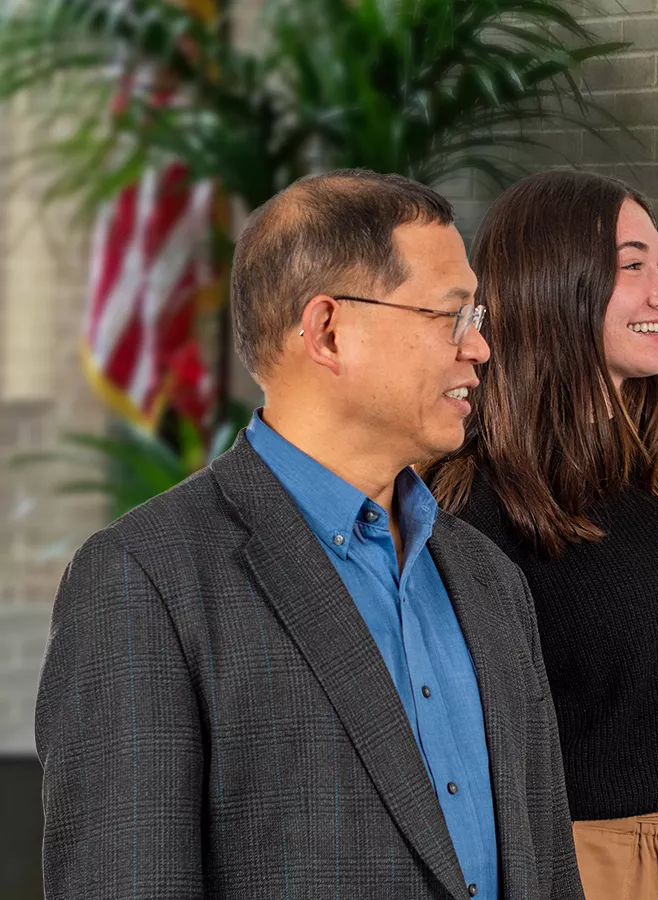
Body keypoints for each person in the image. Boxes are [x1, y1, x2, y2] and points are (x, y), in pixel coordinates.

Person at [36, 169, 583, 900]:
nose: (479, 348)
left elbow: (548, 870)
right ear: (328, 330)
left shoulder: (488, 579)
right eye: (451, 315)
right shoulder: (145, 583)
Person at [428, 169, 658, 900]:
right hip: (576, 876)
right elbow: (467, 765)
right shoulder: (473, 501)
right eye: (634, 267)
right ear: (554, 285)